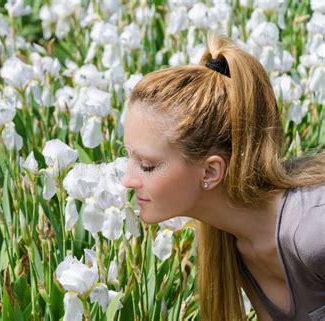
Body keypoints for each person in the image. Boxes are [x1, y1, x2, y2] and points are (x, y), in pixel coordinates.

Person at [121, 34, 325, 321]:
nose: (127, 181)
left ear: (210, 171)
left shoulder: (313, 231)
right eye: (129, 156)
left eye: (147, 165)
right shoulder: (237, 245)